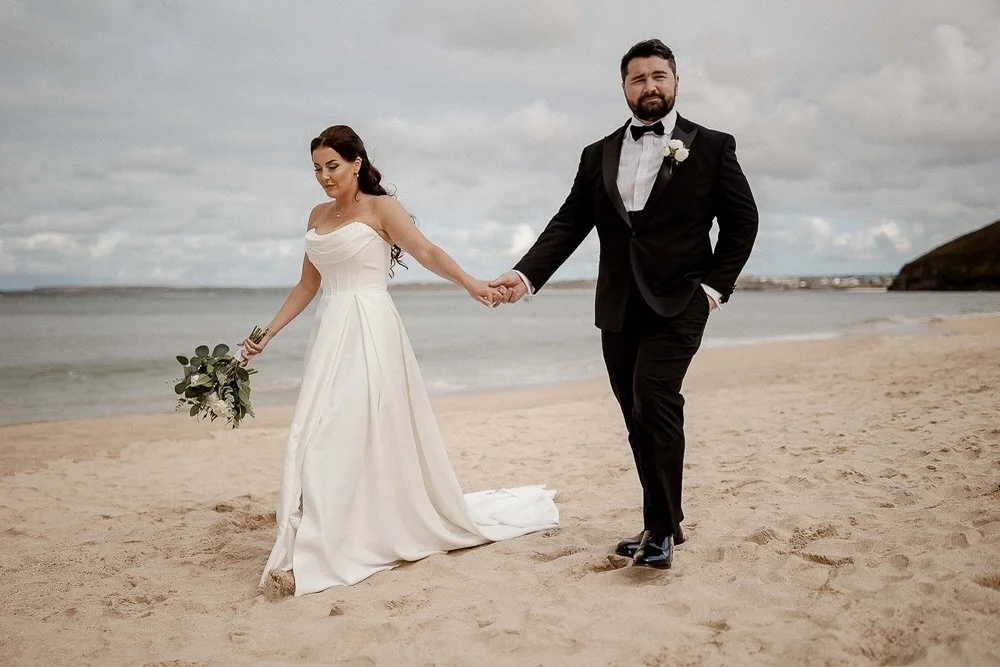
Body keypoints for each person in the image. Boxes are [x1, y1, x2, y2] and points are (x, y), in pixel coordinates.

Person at [241, 125, 558, 596]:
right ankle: (327, 533)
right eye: (317, 169)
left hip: (370, 329)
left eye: (333, 166)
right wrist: (265, 334)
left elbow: (426, 251)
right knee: (318, 432)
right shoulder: (316, 215)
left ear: (356, 163)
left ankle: (327, 546)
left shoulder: (382, 208)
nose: (325, 177)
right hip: (330, 333)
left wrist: (470, 283)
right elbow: (308, 285)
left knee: (341, 432)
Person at [490, 39, 758, 569]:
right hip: (617, 305)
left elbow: (742, 221)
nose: (649, 86)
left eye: (659, 76)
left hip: (680, 300)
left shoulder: (711, 146)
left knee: (654, 400)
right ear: (624, 88)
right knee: (635, 416)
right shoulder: (598, 154)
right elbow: (569, 222)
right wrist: (524, 275)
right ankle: (666, 523)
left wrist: (712, 289)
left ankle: (658, 531)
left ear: (676, 82)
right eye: (638, 79)